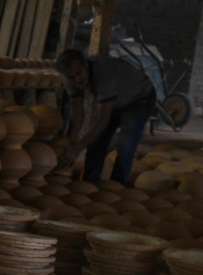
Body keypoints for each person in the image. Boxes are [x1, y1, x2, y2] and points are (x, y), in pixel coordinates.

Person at [55, 49, 156, 184]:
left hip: (138, 100)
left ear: (85, 64)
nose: (76, 80)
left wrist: (78, 148)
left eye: (79, 73)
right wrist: (71, 142)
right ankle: (90, 184)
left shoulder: (104, 73)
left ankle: (116, 188)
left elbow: (103, 119)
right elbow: (77, 111)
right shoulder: (69, 79)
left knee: (125, 147)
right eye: (71, 77)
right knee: (95, 145)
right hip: (112, 100)